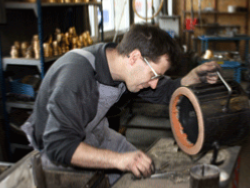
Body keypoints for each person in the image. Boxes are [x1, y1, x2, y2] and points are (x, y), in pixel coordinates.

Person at [21, 24, 220, 185]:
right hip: (58, 148)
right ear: (134, 57)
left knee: (146, 172)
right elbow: (59, 144)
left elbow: (164, 91)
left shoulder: (122, 68)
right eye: (154, 75)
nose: (154, 84)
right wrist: (118, 160)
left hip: (93, 131)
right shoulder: (77, 76)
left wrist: (188, 80)